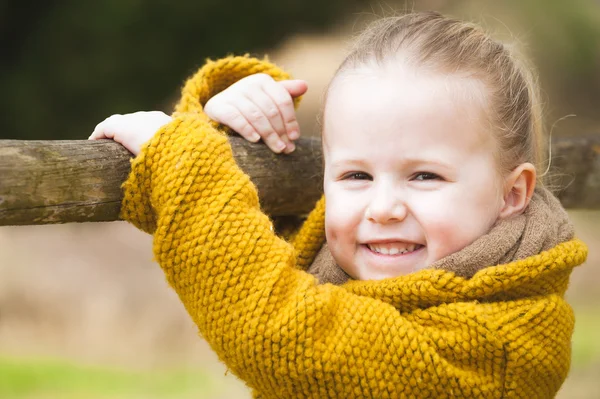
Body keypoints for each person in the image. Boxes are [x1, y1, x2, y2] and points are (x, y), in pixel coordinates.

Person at [89, 11, 587, 398]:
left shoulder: (501, 345)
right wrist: (228, 129)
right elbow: (238, 241)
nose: (384, 208)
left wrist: (184, 156)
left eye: (425, 175)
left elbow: (279, 329)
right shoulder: (340, 263)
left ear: (512, 193)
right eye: (355, 175)